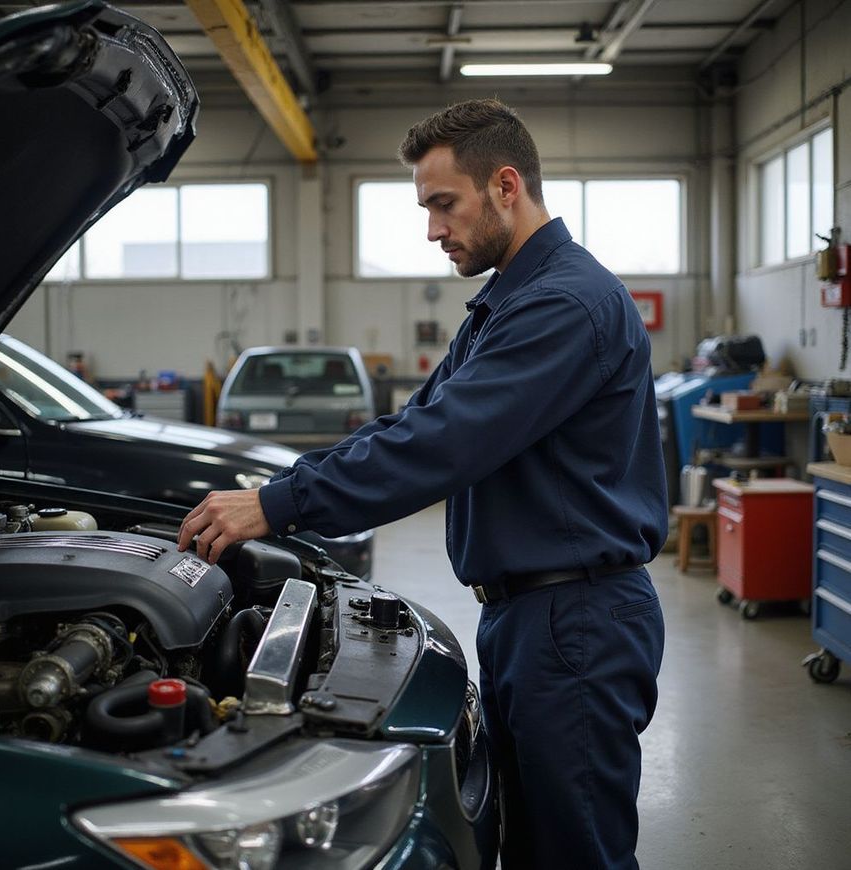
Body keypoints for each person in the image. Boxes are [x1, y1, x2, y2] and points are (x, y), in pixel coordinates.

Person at [178, 98, 667, 869]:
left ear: (506, 186)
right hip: (530, 617)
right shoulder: (504, 304)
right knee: (533, 846)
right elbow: (410, 424)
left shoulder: (563, 306)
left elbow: (443, 445)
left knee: (577, 854)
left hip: (576, 622)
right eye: (426, 207)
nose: (433, 229)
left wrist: (280, 506)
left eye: (444, 204)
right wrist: (277, 486)